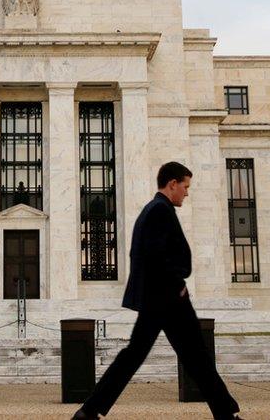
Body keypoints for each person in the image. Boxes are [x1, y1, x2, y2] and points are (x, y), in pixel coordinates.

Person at [73, 162, 243, 420]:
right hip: (167, 299)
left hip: (159, 299)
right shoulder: (159, 211)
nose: (187, 192)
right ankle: (225, 414)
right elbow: (155, 256)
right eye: (185, 186)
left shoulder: (155, 209)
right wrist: (177, 287)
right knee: (193, 356)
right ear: (172, 184)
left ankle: (89, 410)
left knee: (155, 356)